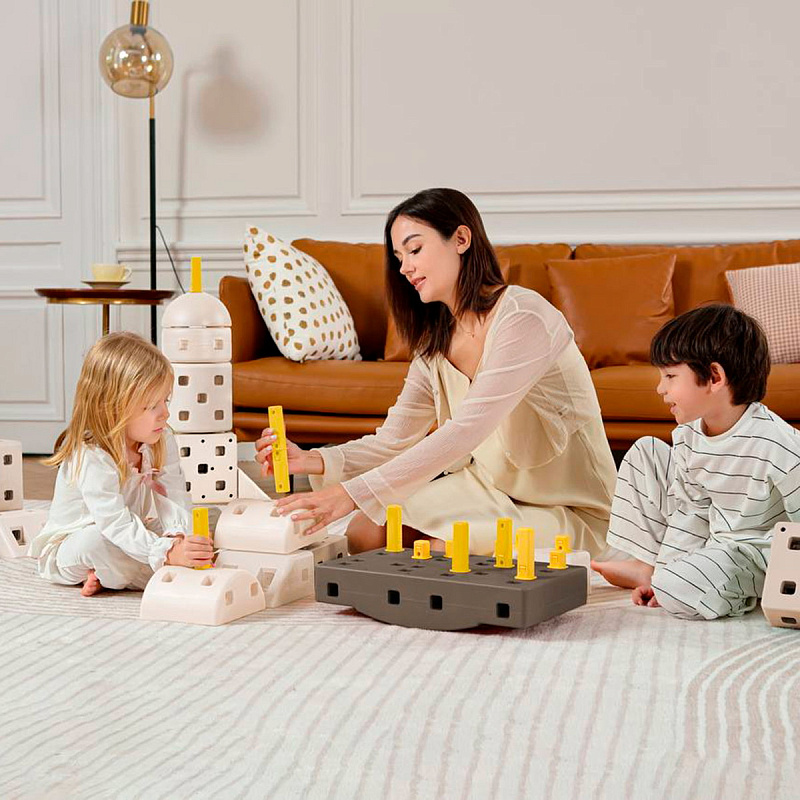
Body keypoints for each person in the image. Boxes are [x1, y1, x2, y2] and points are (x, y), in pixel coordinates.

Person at [256, 187, 617, 556]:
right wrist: (313, 459)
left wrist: (351, 493)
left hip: (566, 508)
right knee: (366, 532)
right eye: (399, 257)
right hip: (487, 488)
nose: (404, 267)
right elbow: (393, 440)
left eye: (414, 250)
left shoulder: (524, 318)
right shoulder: (435, 342)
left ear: (461, 239)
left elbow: (466, 430)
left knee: (441, 550)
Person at [592, 305, 800, 619]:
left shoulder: (778, 445)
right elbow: (691, 511)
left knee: (678, 587)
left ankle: (727, 589)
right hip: (713, 542)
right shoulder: (689, 436)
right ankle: (649, 566)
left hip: (754, 558)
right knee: (645, 451)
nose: (660, 388)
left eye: (670, 376)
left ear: (714, 377)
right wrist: (665, 571)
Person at [31, 332, 212, 596]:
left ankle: (113, 574)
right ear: (113, 407)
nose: (165, 413)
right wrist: (167, 553)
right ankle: (152, 572)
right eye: (151, 406)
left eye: (166, 400)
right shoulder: (92, 454)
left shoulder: (161, 439)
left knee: (203, 525)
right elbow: (114, 522)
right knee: (96, 543)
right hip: (73, 545)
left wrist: (179, 538)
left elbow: (174, 496)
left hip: (126, 529)